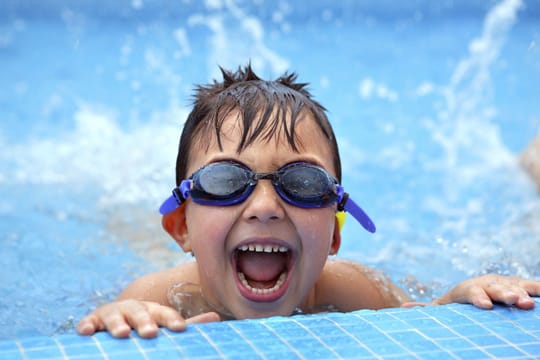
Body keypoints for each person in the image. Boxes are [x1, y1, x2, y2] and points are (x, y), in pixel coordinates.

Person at [77, 65, 540, 339]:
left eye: (300, 182)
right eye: (223, 180)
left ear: (336, 232)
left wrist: (458, 299)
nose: (265, 205)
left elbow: (418, 327)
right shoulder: (157, 298)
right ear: (180, 226)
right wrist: (111, 319)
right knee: (127, 233)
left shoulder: (354, 290)